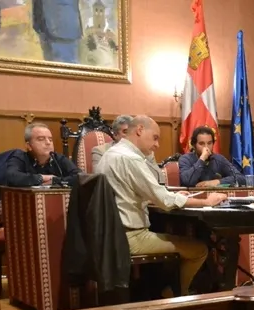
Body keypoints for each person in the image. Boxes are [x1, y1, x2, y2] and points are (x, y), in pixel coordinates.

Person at [97, 116, 227, 295]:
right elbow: (165, 201)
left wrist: (171, 195)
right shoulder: (130, 158)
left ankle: (165, 292)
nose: (157, 145)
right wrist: (207, 202)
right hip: (129, 238)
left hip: (111, 236)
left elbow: (134, 192)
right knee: (199, 249)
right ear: (140, 130)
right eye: (155, 138)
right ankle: (176, 297)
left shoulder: (110, 155)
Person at [4, 122, 81, 188]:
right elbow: (11, 176)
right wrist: (42, 178)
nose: (48, 143)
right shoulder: (20, 157)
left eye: (50, 139)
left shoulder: (59, 159)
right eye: (41, 139)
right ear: (29, 146)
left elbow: (80, 177)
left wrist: (55, 180)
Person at [91, 114, 161, 180]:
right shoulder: (101, 151)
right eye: (125, 131)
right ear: (115, 135)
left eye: (130, 131)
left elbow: (159, 177)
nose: (129, 134)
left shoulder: (147, 151)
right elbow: (99, 180)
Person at [178, 126, 247, 188]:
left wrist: (217, 182)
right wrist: (202, 159)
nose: (206, 147)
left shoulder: (219, 159)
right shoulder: (185, 159)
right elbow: (187, 182)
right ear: (194, 145)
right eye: (201, 144)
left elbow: (241, 179)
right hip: (193, 198)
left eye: (209, 143)